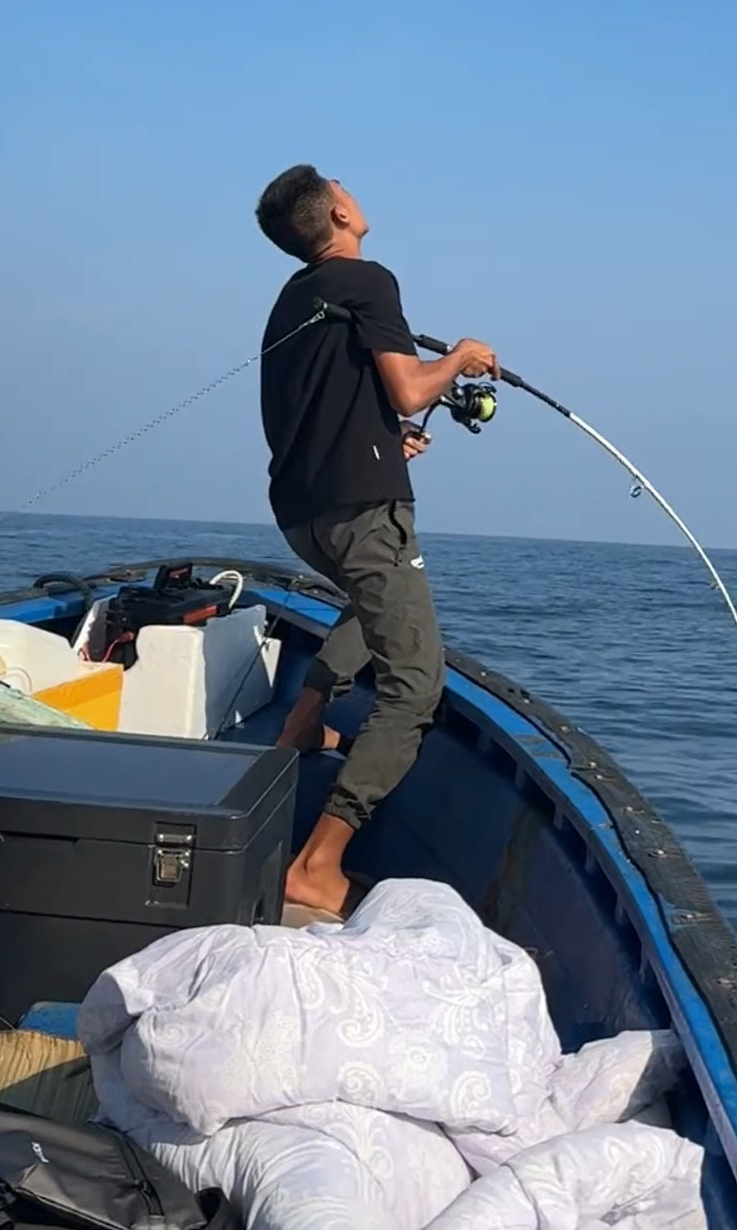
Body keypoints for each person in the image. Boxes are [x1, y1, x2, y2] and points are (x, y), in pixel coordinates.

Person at [255, 164, 498, 920]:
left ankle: (300, 727)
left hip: (302, 512)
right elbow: (410, 390)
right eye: (344, 187)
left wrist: (387, 445)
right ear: (337, 212)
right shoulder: (367, 280)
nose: (354, 193)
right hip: (362, 511)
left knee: (374, 605)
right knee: (414, 685)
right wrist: (461, 357)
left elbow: (337, 409)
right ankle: (316, 865)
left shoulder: (293, 300)